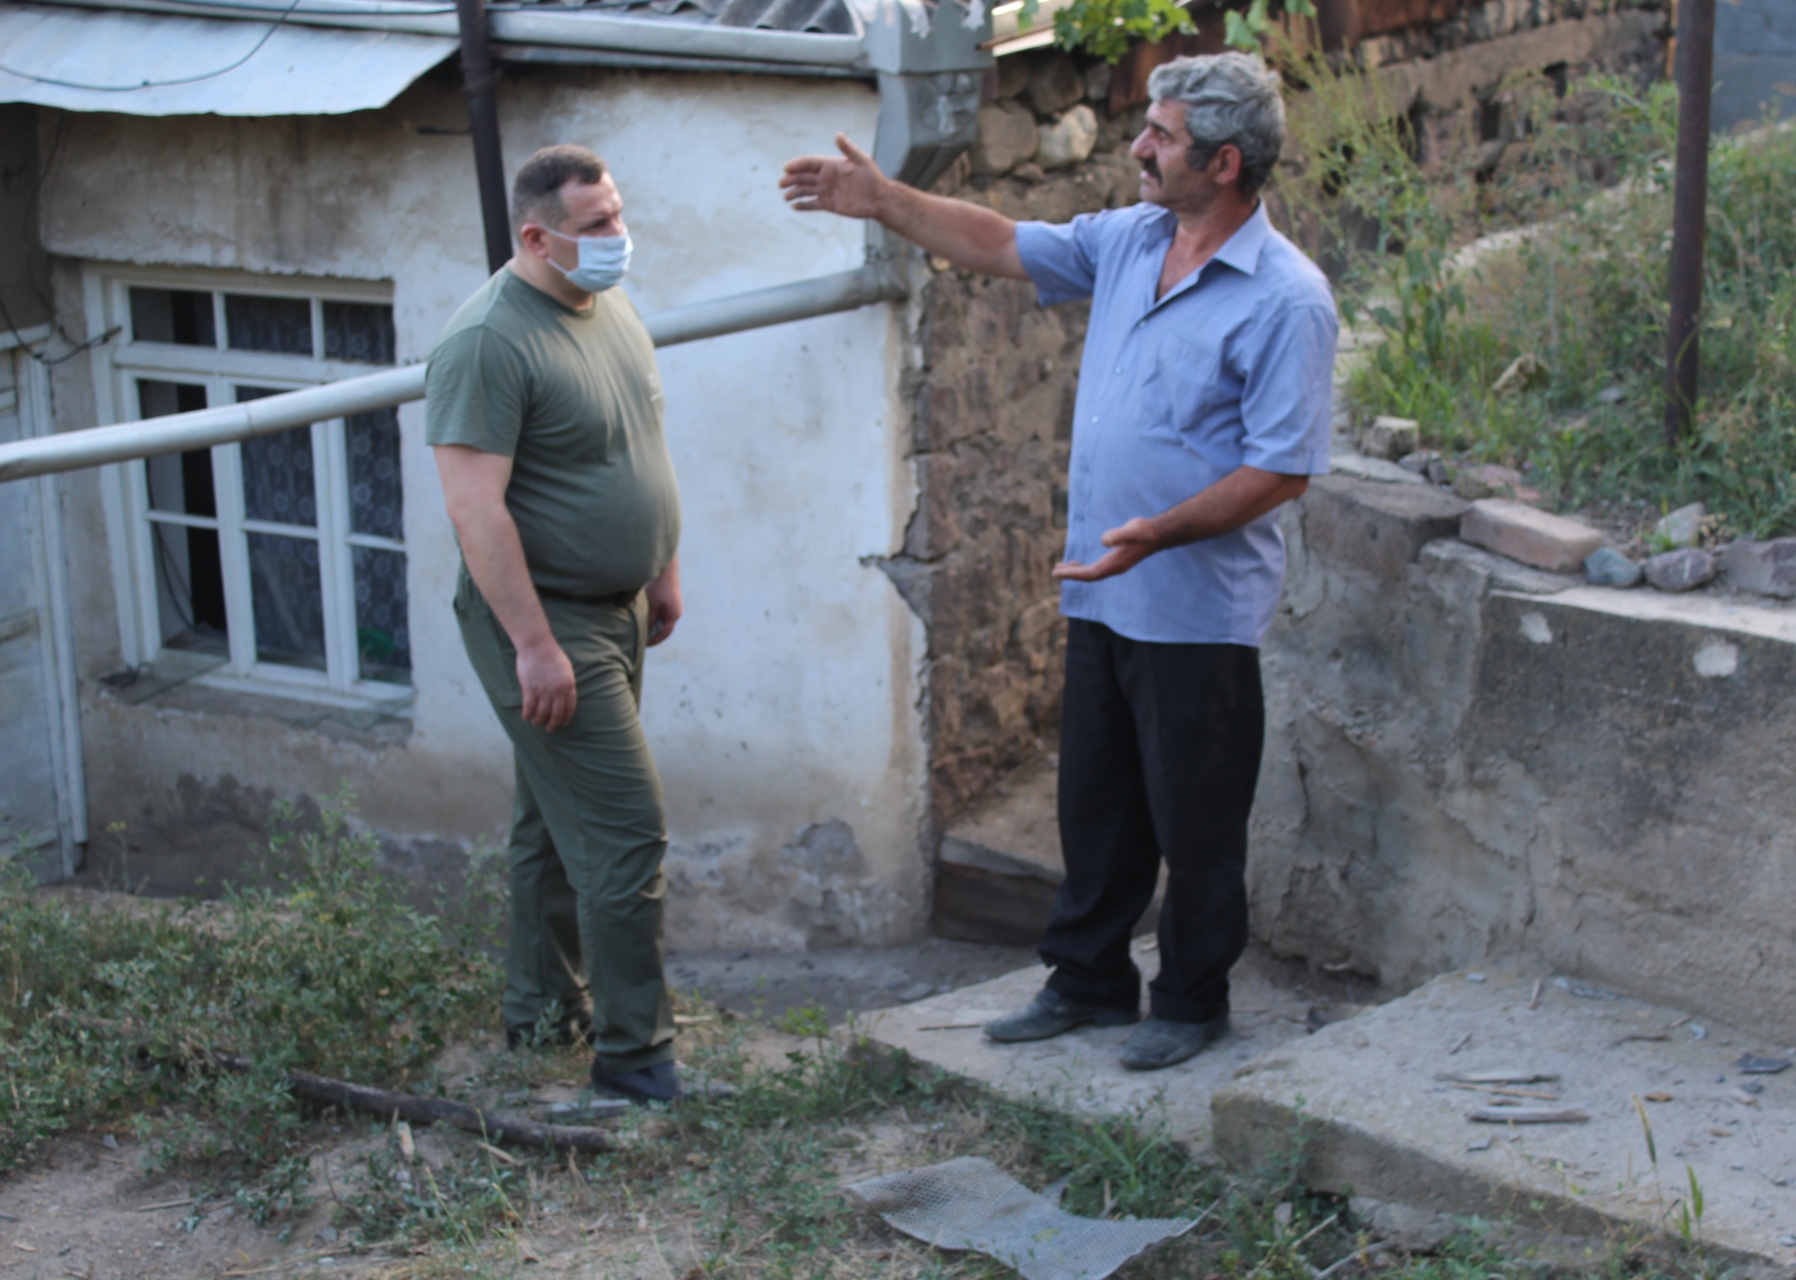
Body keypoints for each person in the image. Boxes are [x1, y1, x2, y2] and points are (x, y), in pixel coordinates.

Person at [780, 52, 1336, 1071]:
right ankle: (1087, 979)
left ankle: (1191, 1000)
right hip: (1103, 594)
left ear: (1223, 163)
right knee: (1096, 805)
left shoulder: (1286, 298)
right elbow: (1000, 241)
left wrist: (1158, 533)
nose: (1139, 146)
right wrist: (884, 199)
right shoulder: (1131, 239)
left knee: (1197, 821)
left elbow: (1280, 469)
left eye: (1162, 135)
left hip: (1196, 608)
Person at [426, 144, 686, 1103]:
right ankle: (633, 1059)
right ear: (536, 239)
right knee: (625, 831)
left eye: (617, 213)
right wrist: (533, 647)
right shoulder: (486, 343)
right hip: (546, 619)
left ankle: (541, 1012)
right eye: (597, 225)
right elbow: (475, 510)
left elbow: (639, 438)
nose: (620, 236)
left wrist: (661, 567)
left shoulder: (607, 305)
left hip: (618, 605)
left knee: (550, 817)